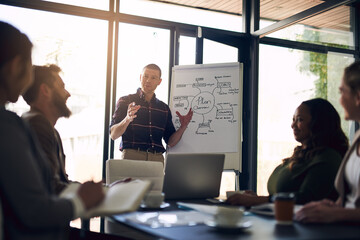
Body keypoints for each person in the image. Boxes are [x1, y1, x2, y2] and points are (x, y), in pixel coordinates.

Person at [0, 21, 104, 239]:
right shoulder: (12, 126)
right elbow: (36, 207)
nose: (67, 94)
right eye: (28, 67)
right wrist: (83, 199)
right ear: (16, 66)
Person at [227, 98, 349, 207]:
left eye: (299, 120)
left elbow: (305, 199)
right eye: (293, 119)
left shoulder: (329, 158)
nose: (292, 125)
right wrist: (255, 198)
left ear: (318, 124)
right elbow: (279, 196)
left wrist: (257, 201)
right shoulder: (302, 155)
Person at [295, 61, 360, 223]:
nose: (339, 100)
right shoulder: (358, 138)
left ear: (358, 96)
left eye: (342, 92)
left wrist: (338, 214)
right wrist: (332, 206)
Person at [110, 63, 193, 164]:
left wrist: (183, 127)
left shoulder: (164, 108)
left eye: (153, 78)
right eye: (145, 76)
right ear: (140, 77)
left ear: (159, 81)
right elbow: (113, 135)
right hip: (132, 157)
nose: (148, 80)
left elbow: (170, 142)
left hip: (157, 159)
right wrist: (127, 118)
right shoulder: (126, 101)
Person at [21, 64, 72, 195]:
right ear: (45, 90)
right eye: (62, 87)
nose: (68, 94)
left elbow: (61, 183)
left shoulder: (47, 128)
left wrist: (104, 189)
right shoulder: (38, 125)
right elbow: (51, 189)